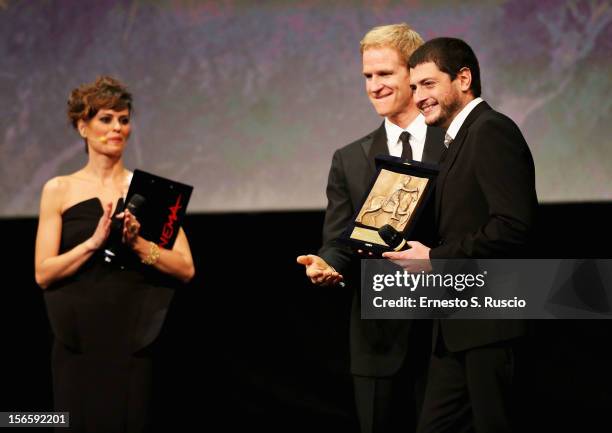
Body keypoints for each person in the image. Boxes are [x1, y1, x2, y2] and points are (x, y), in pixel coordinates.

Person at [384, 38, 538, 432]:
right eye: (415, 87)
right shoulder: (455, 141)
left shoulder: (491, 131)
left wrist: (436, 259)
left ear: (463, 78)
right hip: (456, 326)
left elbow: (514, 226)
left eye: (429, 84)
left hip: (491, 322)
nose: (418, 97)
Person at [297, 24, 445, 433]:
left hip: (445, 335)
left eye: (385, 74)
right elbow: (340, 239)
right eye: (368, 76)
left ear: (412, 74)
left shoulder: (455, 144)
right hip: (378, 340)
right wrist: (326, 263)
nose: (374, 86)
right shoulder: (349, 159)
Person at [34, 76, 195, 432]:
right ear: (83, 126)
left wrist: (137, 244)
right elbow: (43, 273)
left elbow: (186, 268)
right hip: (78, 336)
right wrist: (93, 242)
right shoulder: (59, 189)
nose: (117, 128)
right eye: (106, 119)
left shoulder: (151, 191)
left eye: (123, 119)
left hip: (133, 336)